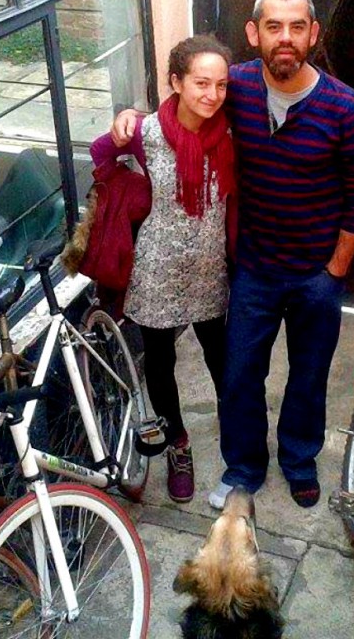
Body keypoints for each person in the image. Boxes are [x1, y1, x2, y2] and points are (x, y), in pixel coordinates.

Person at [112, 0, 354, 510]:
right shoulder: (234, 87)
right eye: (274, 27)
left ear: (313, 34)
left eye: (297, 27)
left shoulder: (347, 108)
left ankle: (299, 460)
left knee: (307, 376)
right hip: (254, 269)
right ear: (254, 34)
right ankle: (243, 469)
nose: (286, 38)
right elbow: (187, 98)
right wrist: (129, 116)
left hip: (315, 275)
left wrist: (336, 269)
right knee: (239, 377)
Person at [92, 34, 236, 503]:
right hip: (157, 268)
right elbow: (100, 154)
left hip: (210, 269)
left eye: (220, 84)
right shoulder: (147, 130)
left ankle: (239, 447)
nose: (212, 94)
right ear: (176, 81)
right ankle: (178, 445)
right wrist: (129, 179)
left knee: (224, 362)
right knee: (161, 362)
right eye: (200, 83)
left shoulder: (231, 130)